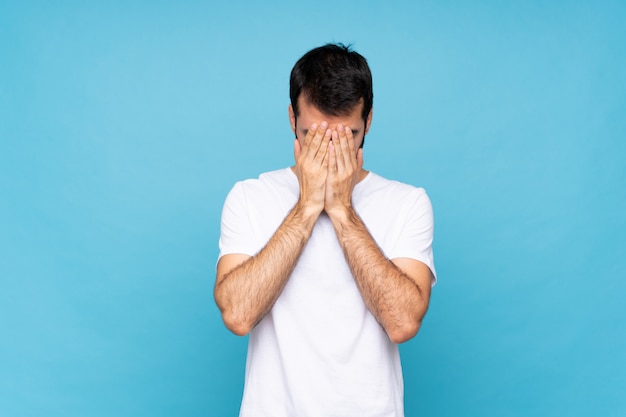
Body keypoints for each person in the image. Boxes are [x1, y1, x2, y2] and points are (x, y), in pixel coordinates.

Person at [214, 43, 436, 417]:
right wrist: (306, 206)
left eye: (346, 135)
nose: (331, 151)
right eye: (314, 135)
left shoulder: (408, 202)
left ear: (368, 122)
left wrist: (342, 209)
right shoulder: (249, 196)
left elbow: (402, 323)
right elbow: (237, 315)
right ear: (291, 120)